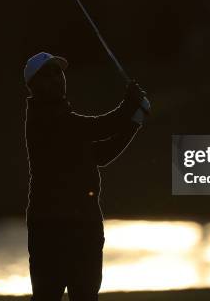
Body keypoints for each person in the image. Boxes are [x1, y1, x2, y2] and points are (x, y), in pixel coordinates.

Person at [23, 52, 149, 301]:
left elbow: (102, 154)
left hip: (84, 224)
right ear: (34, 85)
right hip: (51, 227)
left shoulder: (65, 120)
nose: (57, 79)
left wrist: (135, 121)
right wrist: (129, 104)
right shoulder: (44, 119)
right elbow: (100, 126)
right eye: (47, 75)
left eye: (58, 72)